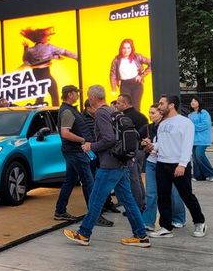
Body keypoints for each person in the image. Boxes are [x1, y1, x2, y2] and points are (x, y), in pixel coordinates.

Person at [63, 85, 150, 248]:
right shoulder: (112, 111)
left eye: (89, 97)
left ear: (93, 97)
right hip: (121, 162)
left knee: (96, 199)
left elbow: (109, 139)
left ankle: (83, 233)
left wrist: (91, 146)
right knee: (127, 200)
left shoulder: (101, 113)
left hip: (109, 164)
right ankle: (141, 235)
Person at [146, 95, 207, 238]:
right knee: (163, 196)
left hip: (178, 165)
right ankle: (166, 227)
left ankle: (200, 222)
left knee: (187, 196)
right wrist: (152, 146)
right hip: (162, 163)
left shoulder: (185, 123)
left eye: (161, 104)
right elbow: (161, 144)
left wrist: (182, 164)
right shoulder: (162, 124)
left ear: (171, 105)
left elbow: (187, 145)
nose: (159, 106)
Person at [53, 86, 113, 226]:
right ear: (69, 94)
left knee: (70, 181)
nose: (79, 96)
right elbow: (65, 133)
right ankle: (95, 216)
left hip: (73, 151)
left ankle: (60, 211)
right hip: (76, 152)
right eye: (76, 93)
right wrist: (82, 140)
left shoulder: (69, 110)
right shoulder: (67, 111)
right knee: (89, 182)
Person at [140, 104, 186, 231]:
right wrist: (145, 145)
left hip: (168, 163)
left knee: (174, 193)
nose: (150, 115)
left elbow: (175, 144)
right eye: (149, 112)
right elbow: (140, 146)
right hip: (151, 162)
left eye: (153, 112)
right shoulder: (146, 128)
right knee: (151, 194)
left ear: (161, 114)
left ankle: (178, 218)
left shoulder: (169, 126)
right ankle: (148, 221)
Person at [21, 27, 78, 106]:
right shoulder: (48, 47)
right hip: (45, 74)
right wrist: (77, 57)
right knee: (54, 94)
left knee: (40, 96)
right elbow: (64, 52)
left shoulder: (30, 50)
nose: (48, 39)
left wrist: (25, 49)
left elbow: (25, 60)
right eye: (47, 37)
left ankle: (38, 111)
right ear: (42, 38)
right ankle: (56, 112)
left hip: (36, 75)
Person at [114, 94, 147, 212]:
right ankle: (142, 203)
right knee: (137, 178)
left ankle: (137, 206)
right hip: (141, 150)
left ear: (125, 104)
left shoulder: (126, 118)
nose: (116, 105)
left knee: (133, 179)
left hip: (133, 152)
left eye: (118, 103)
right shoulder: (141, 116)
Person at [109, 39, 151, 109]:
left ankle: (136, 120)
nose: (126, 50)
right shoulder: (116, 60)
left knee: (136, 106)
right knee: (125, 106)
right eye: (124, 48)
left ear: (132, 48)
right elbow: (112, 74)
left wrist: (141, 75)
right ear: (121, 49)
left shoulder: (137, 57)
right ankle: (127, 120)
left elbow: (151, 63)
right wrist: (113, 89)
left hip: (137, 84)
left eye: (128, 48)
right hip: (124, 85)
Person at [189, 96, 213, 181]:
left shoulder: (204, 113)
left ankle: (212, 173)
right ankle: (199, 176)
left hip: (202, 139)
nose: (193, 102)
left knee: (199, 155)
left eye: (195, 101)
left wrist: (193, 127)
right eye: (191, 101)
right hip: (193, 140)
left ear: (199, 103)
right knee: (195, 157)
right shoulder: (190, 115)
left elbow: (206, 125)